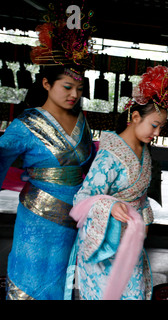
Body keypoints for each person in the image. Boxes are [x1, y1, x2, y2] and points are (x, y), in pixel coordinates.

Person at [65, 62, 168, 300]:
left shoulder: (144, 152)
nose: (157, 133)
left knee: (134, 294)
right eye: (154, 125)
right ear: (135, 117)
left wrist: (144, 220)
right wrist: (110, 205)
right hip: (105, 244)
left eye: (161, 127)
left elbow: (141, 197)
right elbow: (82, 198)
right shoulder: (109, 156)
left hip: (131, 241)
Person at [0, 4, 96, 300]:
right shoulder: (24, 125)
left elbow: (92, 165)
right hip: (38, 218)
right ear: (46, 83)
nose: (74, 95)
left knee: (62, 281)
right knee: (30, 281)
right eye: (67, 87)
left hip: (74, 217)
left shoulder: (82, 122)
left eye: (79, 89)